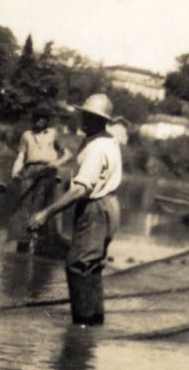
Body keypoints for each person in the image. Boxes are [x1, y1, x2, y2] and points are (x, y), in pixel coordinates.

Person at [27, 94, 122, 326]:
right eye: (85, 114)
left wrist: (46, 213)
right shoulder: (106, 140)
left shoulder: (96, 148)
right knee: (91, 266)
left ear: (101, 120)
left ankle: (83, 325)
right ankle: (92, 325)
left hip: (94, 207)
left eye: (90, 116)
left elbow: (81, 190)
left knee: (78, 265)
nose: (84, 119)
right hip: (108, 205)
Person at [8, 106, 72, 253]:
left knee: (50, 208)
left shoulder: (53, 134)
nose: (39, 120)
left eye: (42, 118)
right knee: (25, 207)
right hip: (30, 173)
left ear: (47, 120)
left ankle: (47, 244)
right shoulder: (26, 135)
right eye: (36, 117)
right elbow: (20, 157)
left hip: (49, 173)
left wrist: (56, 163)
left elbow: (68, 154)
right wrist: (15, 172)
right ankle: (23, 245)